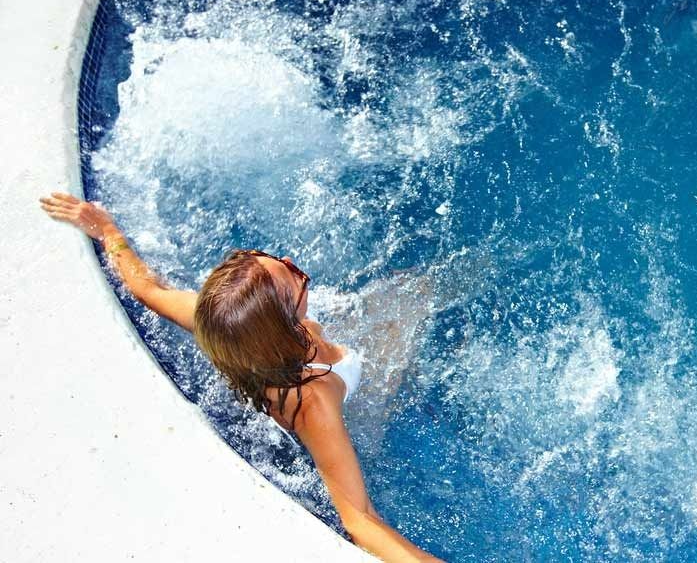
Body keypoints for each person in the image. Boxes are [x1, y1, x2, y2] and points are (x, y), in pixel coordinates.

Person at [40, 191, 443, 563]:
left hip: (324, 363)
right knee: (422, 299)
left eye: (281, 263)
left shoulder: (222, 325)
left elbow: (148, 288)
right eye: (296, 277)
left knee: (419, 288)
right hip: (353, 408)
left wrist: (108, 231)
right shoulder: (315, 402)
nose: (294, 264)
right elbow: (359, 518)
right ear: (283, 327)